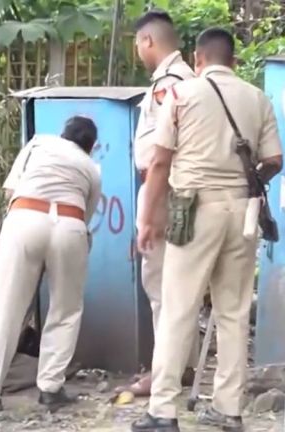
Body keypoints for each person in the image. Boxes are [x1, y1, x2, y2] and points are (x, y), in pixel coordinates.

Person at [132, 28, 283, 432]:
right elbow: (274, 160)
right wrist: (247, 177)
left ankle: (163, 411)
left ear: (198, 59)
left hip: (193, 210)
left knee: (179, 309)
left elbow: (159, 164)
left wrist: (148, 217)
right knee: (233, 313)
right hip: (242, 214)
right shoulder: (258, 98)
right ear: (233, 61)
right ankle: (229, 409)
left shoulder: (182, 95)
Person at [0, 116, 101, 412]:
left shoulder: (38, 144)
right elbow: (85, 215)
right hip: (69, 225)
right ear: (90, 147)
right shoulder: (92, 168)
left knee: (6, 306)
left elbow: (9, 192)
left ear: (63, 133)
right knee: (65, 309)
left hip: (26, 218)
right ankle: (51, 389)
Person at [125, 9, 200, 397]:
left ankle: (163, 373)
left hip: (165, 191)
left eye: (138, 43)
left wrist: (150, 213)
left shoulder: (167, 83)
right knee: (176, 288)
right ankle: (180, 365)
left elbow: (159, 155)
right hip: (182, 194)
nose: (138, 51)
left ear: (147, 41)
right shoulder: (189, 79)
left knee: (160, 289)